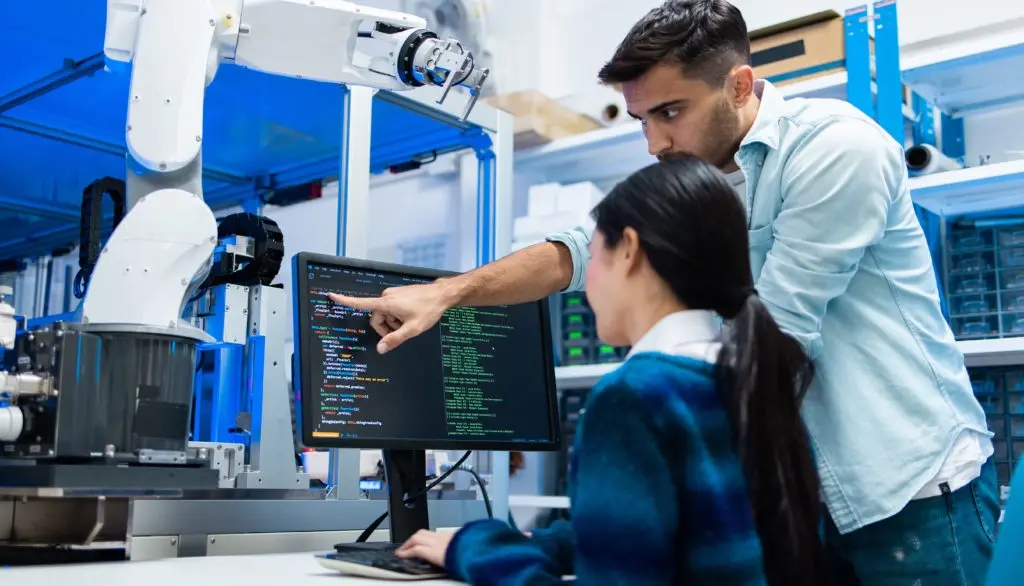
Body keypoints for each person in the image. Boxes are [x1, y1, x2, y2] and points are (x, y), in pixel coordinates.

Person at [329, 0, 999, 582]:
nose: (653, 142)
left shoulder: (836, 148)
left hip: (906, 489)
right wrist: (447, 294)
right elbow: (573, 247)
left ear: (739, 85)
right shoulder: (698, 171)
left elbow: (778, 332)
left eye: (670, 112)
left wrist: (641, 425)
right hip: (802, 494)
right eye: (641, 119)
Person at [390, 156, 829, 585]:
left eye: (594, 256)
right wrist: (535, 544)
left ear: (629, 251)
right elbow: (687, 532)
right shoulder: (754, 380)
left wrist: (476, 552)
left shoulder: (633, 397)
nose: (587, 288)